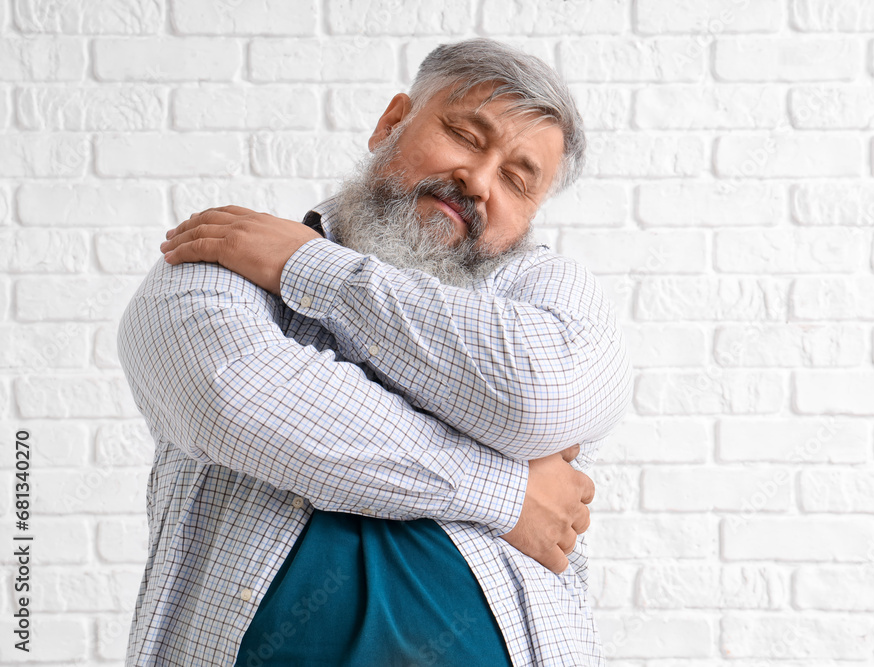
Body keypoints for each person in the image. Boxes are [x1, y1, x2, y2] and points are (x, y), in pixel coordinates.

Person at [118, 38, 631, 666]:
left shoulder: (546, 291)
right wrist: (509, 494)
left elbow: (544, 395)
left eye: (517, 180)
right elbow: (236, 399)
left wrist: (310, 268)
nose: (478, 180)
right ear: (393, 123)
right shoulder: (221, 256)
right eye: (467, 137)